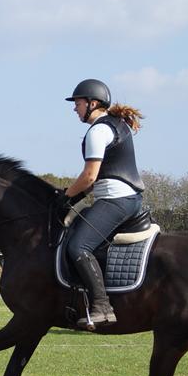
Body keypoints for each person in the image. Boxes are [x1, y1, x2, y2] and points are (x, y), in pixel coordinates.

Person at [62, 78, 146, 329]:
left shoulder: (98, 131)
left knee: (78, 247)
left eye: (77, 103)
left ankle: (101, 307)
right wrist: (72, 196)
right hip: (126, 198)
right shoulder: (115, 125)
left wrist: (64, 197)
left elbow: (89, 176)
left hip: (115, 200)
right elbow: (91, 182)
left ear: (92, 103)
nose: (74, 108)